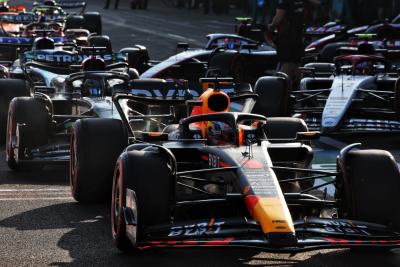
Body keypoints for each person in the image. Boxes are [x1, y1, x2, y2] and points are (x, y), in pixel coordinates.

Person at [265, 0, 307, 91]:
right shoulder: (301, 2)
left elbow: (278, 17)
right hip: (299, 36)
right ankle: (299, 90)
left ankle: (283, 91)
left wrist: (271, 26)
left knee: (287, 63)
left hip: (286, 36)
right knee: (297, 63)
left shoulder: (284, 2)